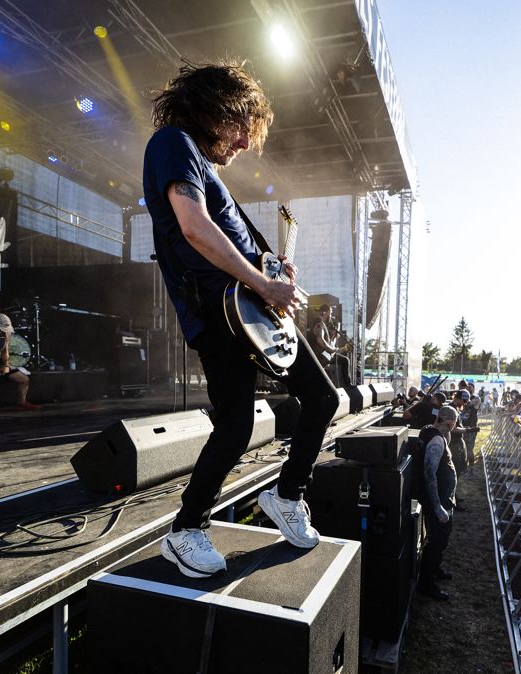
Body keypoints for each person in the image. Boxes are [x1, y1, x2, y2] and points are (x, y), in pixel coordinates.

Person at [144, 61, 339, 578]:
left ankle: (287, 494)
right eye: (241, 130)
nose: (244, 145)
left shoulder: (207, 170)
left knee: (322, 397)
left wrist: (272, 266)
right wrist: (264, 282)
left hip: (252, 309)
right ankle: (186, 531)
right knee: (235, 424)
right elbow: (194, 228)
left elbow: (229, 238)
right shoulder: (173, 144)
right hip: (219, 311)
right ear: (219, 110)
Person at [415, 406, 460, 601]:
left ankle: (435, 569)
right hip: (438, 500)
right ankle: (427, 583)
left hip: (442, 497)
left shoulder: (430, 431)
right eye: (452, 421)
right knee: (437, 540)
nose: (454, 425)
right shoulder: (436, 439)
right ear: (444, 419)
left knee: (439, 540)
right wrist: (437, 506)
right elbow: (429, 472)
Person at [308, 304, 349, 387]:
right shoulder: (319, 324)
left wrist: (334, 337)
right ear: (324, 313)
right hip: (319, 357)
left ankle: (347, 385)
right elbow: (320, 340)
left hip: (324, 356)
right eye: (330, 313)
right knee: (328, 378)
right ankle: (347, 386)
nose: (331, 315)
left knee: (344, 360)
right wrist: (331, 350)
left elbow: (326, 342)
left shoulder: (323, 324)